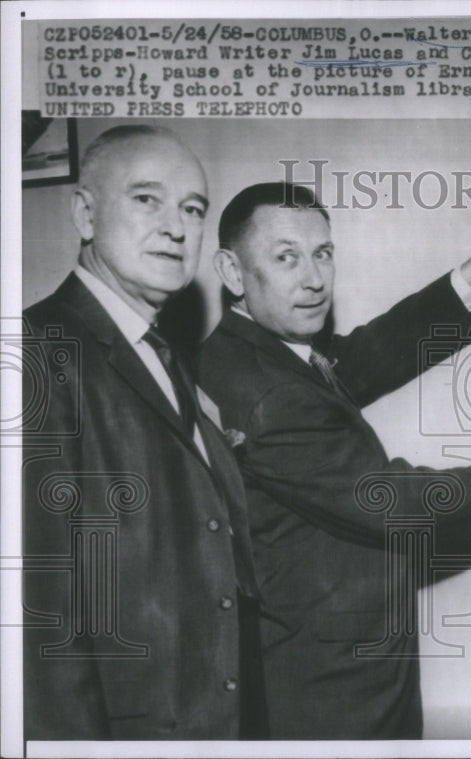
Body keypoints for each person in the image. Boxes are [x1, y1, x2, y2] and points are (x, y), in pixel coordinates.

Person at [197, 182, 471, 739]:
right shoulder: (265, 391)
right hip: (334, 691)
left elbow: (356, 362)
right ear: (231, 270)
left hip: (324, 668)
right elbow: (385, 499)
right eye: (286, 257)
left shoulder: (254, 355)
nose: (314, 279)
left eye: (322, 253)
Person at [22, 126, 266, 739]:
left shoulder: (161, 353)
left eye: (192, 209)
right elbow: (42, 617)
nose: (177, 227)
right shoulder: (37, 353)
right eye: (146, 199)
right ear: (84, 213)